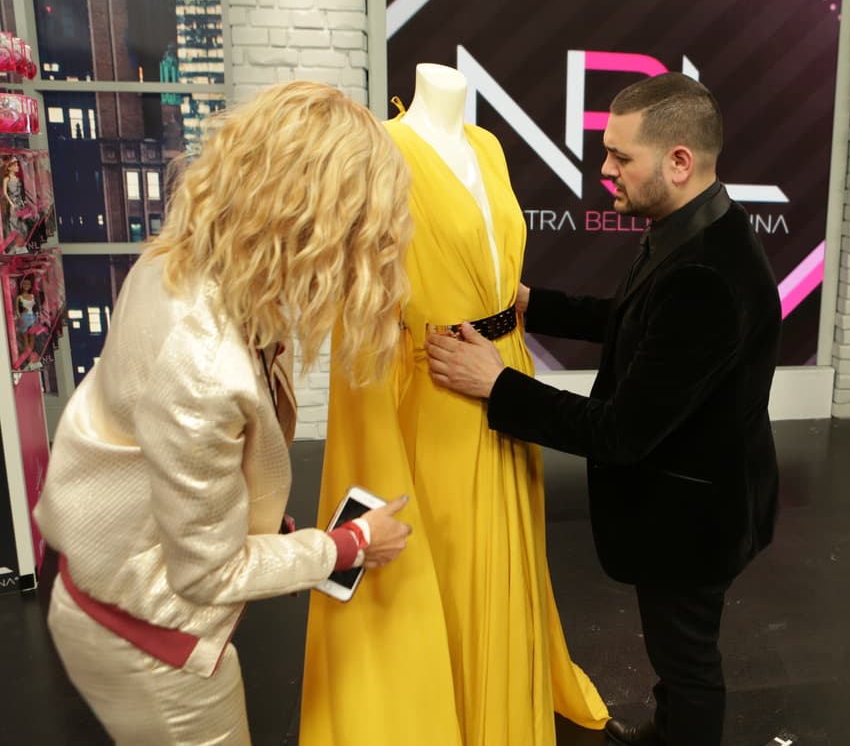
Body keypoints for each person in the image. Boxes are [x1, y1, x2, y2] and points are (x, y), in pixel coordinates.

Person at [33, 81, 415, 745]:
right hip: (150, 642)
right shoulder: (205, 361)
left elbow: (175, 462)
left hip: (112, 591)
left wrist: (249, 516)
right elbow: (207, 573)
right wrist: (348, 545)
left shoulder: (182, 265)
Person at [428, 72, 782, 746]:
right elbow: (635, 321)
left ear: (679, 161)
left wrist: (496, 384)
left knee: (688, 659)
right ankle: (670, 726)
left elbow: (619, 432)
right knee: (678, 653)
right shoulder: (695, 229)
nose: (605, 169)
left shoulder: (706, 275)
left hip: (693, 519)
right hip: (701, 496)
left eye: (621, 156)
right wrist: (538, 303)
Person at [299, 64, 609, 746]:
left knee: (509, 561)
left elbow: (498, 269)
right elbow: (364, 311)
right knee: (451, 568)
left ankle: (504, 708)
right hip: (437, 390)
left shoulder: (489, 146)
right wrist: (373, 433)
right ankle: (457, 719)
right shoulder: (380, 153)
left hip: (505, 373)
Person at [13, 275, 36, 362]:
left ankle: (31, 356)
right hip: (24, 317)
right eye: (25, 284)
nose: (26, 285)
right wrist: (20, 318)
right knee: (25, 338)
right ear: (22, 285)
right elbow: (17, 310)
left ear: (30, 286)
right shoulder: (19, 297)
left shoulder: (32, 296)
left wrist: (35, 319)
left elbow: (35, 309)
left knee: (32, 337)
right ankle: (29, 357)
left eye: (28, 284)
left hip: (32, 318)